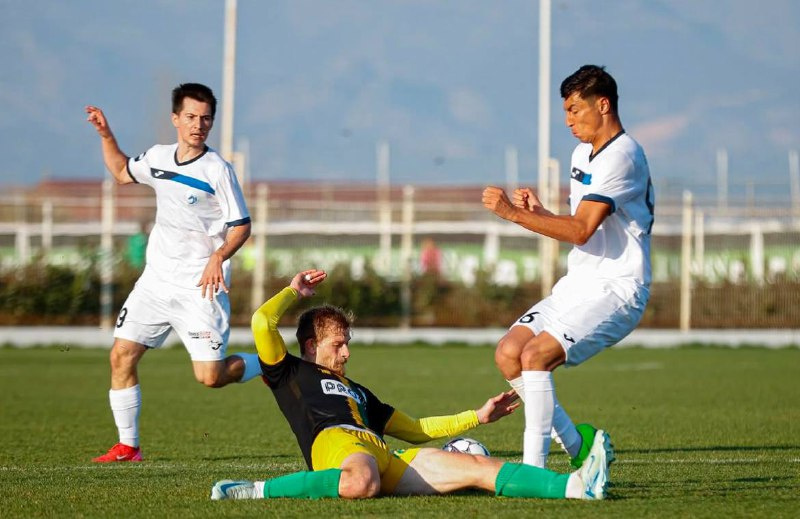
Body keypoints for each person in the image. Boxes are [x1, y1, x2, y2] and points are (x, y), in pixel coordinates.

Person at [210, 269, 612, 501]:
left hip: (384, 455)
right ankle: (256, 490)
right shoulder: (288, 372)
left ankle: (576, 487)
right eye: (338, 344)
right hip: (339, 447)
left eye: (348, 343)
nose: (347, 353)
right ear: (312, 345)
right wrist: (293, 291)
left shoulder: (360, 393)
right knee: (361, 482)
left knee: (476, 468)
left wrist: (478, 416)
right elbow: (262, 322)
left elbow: (416, 429)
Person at [482, 65, 654, 469]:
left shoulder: (623, 156)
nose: (568, 121)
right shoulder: (581, 154)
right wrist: (540, 213)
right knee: (509, 353)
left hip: (618, 289)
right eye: (566, 112)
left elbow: (580, 230)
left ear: (603, 105)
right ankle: (580, 448)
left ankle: (533, 471)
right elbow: (584, 227)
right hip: (579, 283)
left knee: (536, 356)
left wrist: (513, 215)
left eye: (575, 110)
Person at [86, 83, 262, 463]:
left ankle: (268, 362)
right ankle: (128, 447)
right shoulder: (158, 157)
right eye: (191, 117)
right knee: (121, 356)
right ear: (176, 119)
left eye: (206, 119)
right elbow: (121, 171)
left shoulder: (217, 170)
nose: (199, 125)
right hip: (155, 282)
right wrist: (106, 134)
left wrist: (218, 256)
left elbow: (242, 226)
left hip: (200, 286)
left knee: (210, 377)